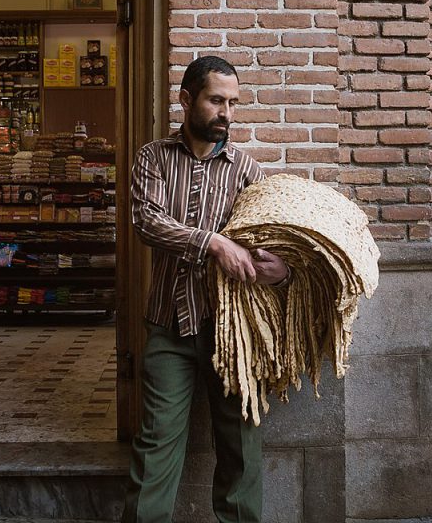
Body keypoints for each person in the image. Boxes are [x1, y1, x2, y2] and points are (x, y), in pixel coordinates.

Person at [122, 56, 290, 523]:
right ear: (186, 100)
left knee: (240, 445)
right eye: (217, 100)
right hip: (169, 329)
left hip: (233, 333)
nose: (227, 113)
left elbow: (275, 239)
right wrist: (213, 243)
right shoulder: (152, 157)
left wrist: (282, 270)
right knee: (156, 445)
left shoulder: (247, 170)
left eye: (233, 103)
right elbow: (146, 221)